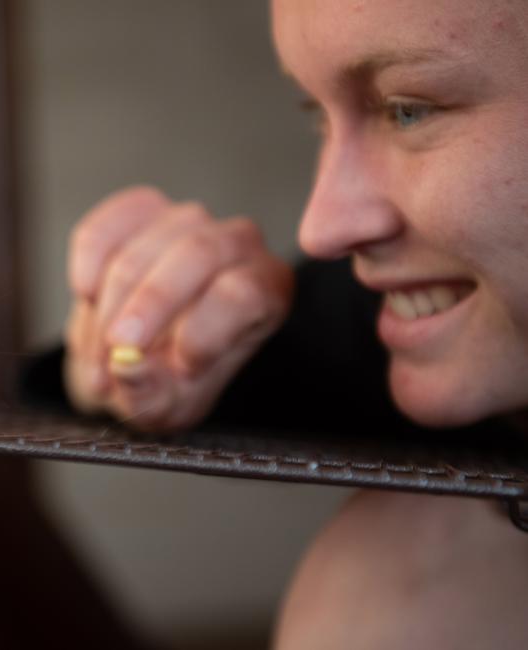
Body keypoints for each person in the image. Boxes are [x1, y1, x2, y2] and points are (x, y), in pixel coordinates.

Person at [61, 0, 528, 647]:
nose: (323, 227)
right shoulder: (372, 314)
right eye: (318, 117)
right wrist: (134, 347)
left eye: (408, 109)